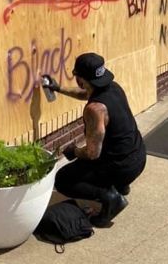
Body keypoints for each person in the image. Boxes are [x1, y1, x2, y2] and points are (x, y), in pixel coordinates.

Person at [41, 53, 146, 227]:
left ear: (80, 81)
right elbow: (87, 93)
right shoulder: (114, 88)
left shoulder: (95, 110)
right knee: (108, 156)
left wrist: (73, 151)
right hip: (139, 157)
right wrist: (58, 88)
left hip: (122, 166)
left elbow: (92, 153)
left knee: (63, 179)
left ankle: (110, 198)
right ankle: (120, 185)